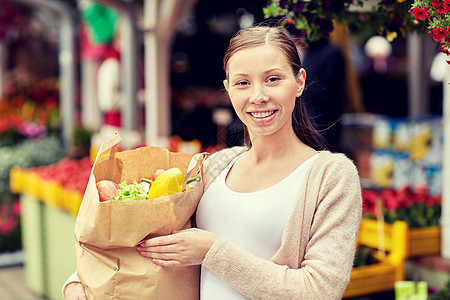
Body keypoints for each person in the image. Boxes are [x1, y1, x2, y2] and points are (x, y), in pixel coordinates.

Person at [64, 25, 362, 299]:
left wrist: (211, 251)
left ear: (299, 82)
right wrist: (80, 280)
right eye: (242, 82)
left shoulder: (331, 176)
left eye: (273, 79)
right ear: (228, 88)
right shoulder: (216, 166)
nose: (258, 96)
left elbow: (319, 290)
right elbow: (147, 236)